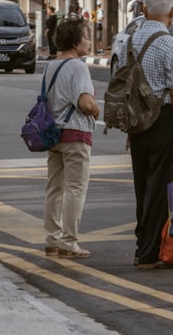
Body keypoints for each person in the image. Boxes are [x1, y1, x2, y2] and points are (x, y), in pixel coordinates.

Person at [124, 0, 173, 269]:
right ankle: (149, 253)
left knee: (143, 185)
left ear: (143, 11)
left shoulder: (131, 39)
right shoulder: (171, 43)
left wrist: (130, 129)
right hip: (163, 120)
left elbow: (128, 86)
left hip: (137, 120)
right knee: (161, 186)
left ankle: (144, 243)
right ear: (172, 13)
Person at [43, 16, 100, 259]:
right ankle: (69, 241)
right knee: (76, 188)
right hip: (76, 134)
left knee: (54, 188)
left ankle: (52, 240)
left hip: (53, 134)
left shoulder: (51, 65)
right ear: (76, 43)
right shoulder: (78, 67)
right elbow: (85, 103)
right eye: (86, 37)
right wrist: (97, 110)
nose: (89, 41)